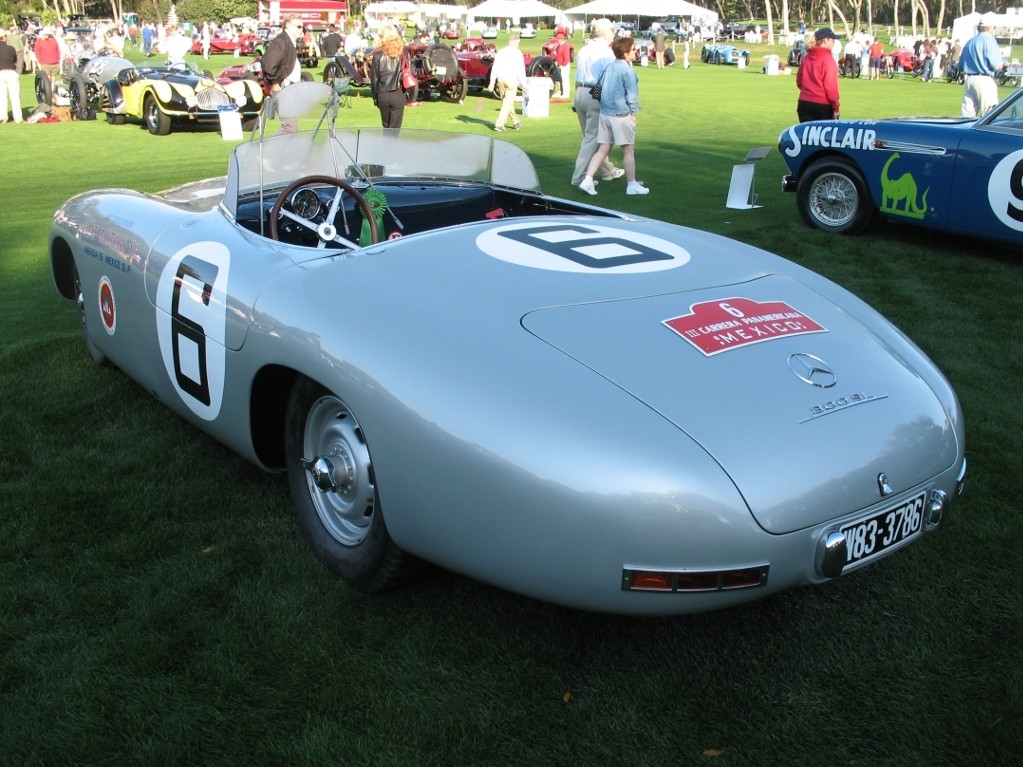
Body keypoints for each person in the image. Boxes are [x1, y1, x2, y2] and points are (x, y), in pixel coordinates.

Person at [577, 36, 648, 197]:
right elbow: (631, 95)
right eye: (633, 49)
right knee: (628, 150)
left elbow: (597, 90)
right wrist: (633, 110)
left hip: (605, 113)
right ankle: (632, 185)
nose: (636, 51)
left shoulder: (608, 66)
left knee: (603, 149)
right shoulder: (628, 70)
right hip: (621, 115)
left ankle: (587, 180)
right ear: (626, 53)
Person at [569, 18, 623, 187]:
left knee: (593, 137)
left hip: (580, 92)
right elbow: (608, 79)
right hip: (595, 93)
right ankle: (579, 178)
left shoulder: (584, 49)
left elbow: (579, 76)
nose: (614, 34)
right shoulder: (605, 53)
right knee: (594, 138)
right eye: (613, 31)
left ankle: (608, 171)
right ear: (606, 33)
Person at [261, 15, 303, 133]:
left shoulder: (289, 41)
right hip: (282, 88)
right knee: (289, 127)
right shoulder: (282, 40)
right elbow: (268, 63)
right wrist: (275, 83)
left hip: (289, 89)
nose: (301, 30)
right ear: (288, 25)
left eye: (302, 27)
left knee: (291, 127)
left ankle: (280, 150)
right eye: (298, 26)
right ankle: (267, 150)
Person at [959, 22, 1004, 118]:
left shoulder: (970, 41)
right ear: (989, 27)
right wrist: (1005, 66)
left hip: (969, 79)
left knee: (967, 116)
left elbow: (960, 65)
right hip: (984, 80)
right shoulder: (989, 41)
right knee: (989, 115)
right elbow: (996, 65)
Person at [796, 27, 840, 122]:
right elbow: (830, 87)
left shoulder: (807, 58)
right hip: (822, 106)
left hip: (804, 103)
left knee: (806, 136)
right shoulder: (828, 60)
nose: (834, 43)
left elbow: (799, 81)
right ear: (826, 40)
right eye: (832, 40)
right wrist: (836, 107)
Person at [370, 25, 407, 129]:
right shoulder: (403, 54)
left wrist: (375, 97)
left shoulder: (377, 55)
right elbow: (410, 72)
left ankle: (386, 145)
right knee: (395, 129)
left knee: (386, 128)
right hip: (398, 93)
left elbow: (374, 80)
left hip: (383, 94)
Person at [488, 34, 525, 131]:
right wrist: (524, 84)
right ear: (516, 42)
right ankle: (499, 124)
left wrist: (492, 82)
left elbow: (495, 67)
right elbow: (521, 70)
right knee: (507, 102)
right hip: (512, 80)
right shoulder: (517, 53)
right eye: (518, 43)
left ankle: (516, 122)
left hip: (501, 79)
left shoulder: (501, 51)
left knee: (506, 102)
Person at [0, 28, 23, 123]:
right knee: (15, 96)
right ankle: (18, 117)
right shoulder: (11, 48)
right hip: (11, 72)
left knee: (1, 96)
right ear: (4, 37)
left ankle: (2, 116)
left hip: (1, 73)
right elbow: (14, 60)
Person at [33, 27, 61, 92]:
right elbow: (37, 52)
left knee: (53, 78)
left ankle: (52, 91)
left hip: (55, 63)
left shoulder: (54, 40)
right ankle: (48, 92)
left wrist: (58, 60)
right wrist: (41, 62)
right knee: (47, 79)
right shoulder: (39, 41)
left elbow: (58, 51)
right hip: (45, 63)